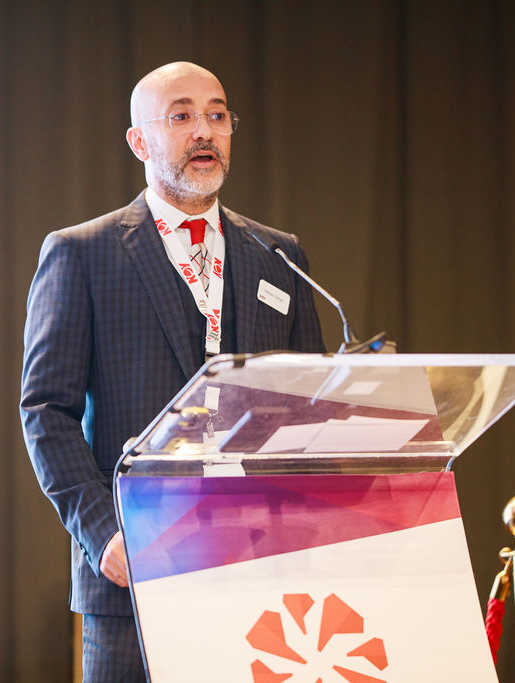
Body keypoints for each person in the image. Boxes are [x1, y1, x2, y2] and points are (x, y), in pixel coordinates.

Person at [19, 61, 325, 682]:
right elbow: (47, 412)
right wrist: (104, 535)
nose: (204, 130)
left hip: (260, 573)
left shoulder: (277, 255)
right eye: (181, 116)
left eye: (217, 115)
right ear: (139, 142)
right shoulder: (82, 253)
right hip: (136, 571)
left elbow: (310, 401)